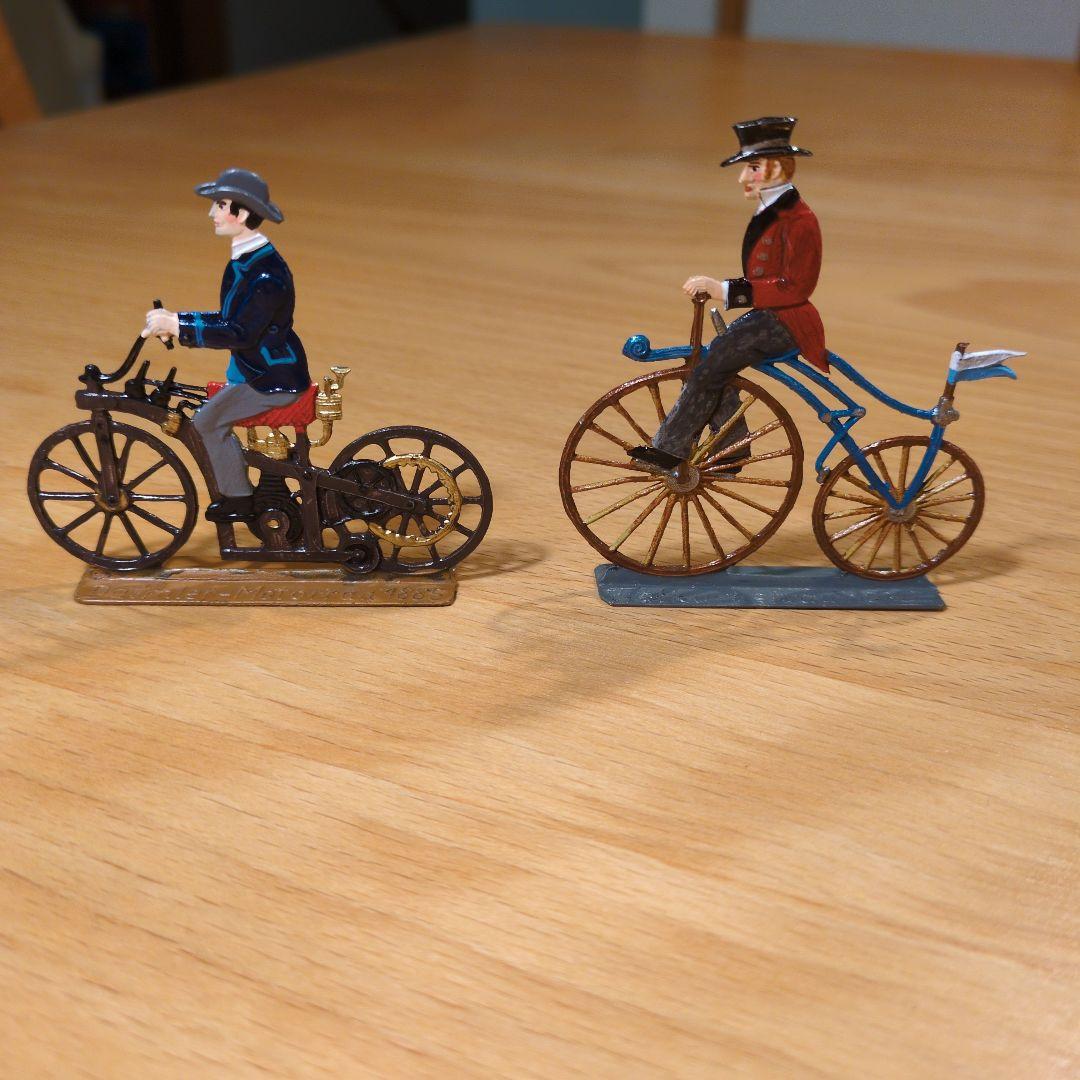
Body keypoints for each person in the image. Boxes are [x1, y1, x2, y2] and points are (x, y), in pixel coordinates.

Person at [630, 116, 826, 471]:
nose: (743, 178)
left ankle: (670, 451)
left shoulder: (799, 220)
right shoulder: (771, 211)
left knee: (713, 364)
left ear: (778, 168)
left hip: (787, 322)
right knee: (714, 359)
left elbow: (795, 287)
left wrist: (723, 289)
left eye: (753, 168)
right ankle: (732, 446)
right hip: (770, 316)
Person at [142, 168, 310, 522]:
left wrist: (179, 326)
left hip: (270, 378)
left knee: (206, 423)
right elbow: (229, 318)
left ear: (243, 213)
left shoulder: (265, 275)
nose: (212, 213)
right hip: (254, 370)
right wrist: (178, 321)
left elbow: (240, 332)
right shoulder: (247, 260)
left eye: (220, 205)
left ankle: (238, 499)